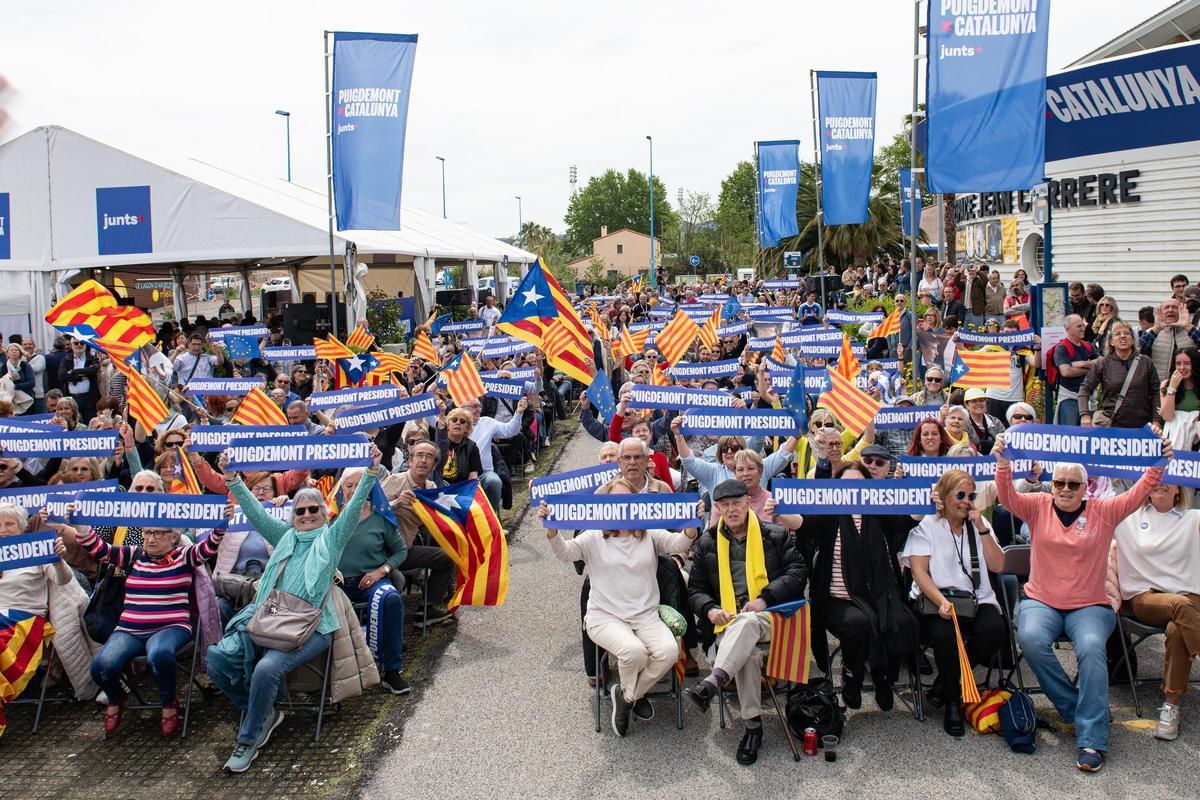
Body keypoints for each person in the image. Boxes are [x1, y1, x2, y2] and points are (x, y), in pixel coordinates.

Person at [994, 432, 1172, 772]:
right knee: (1030, 639)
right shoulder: (1038, 505)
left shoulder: (1104, 511)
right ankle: (1076, 710)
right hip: (1041, 600)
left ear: (1085, 486)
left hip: (1090, 605)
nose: (1064, 489)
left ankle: (1091, 740)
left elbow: (1140, 492)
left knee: (1091, 647)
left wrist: (1160, 462)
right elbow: (1007, 495)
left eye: (1072, 484)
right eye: (1058, 482)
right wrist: (1003, 462)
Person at [209, 444, 382, 772]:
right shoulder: (285, 535)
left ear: (322, 514)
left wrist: (371, 472)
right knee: (217, 660)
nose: (305, 516)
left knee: (265, 669)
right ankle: (264, 711)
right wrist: (232, 478)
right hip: (270, 615)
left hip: (313, 625)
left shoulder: (330, 539)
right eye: (300, 511)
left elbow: (353, 507)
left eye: (312, 511)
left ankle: (248, 739)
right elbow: (255, 512)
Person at [542, 478, 697, 737]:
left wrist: (690, 529)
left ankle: (627, 697)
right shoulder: (593, 536)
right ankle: (634, 696)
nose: (623, 506)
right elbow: (565, 553)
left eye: (628, 500)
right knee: (634, 652)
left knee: (669, 651)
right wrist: (552, 531)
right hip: (605, 617)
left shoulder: (647, 533)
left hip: (645, 616)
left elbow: (677, 544)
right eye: (616, 501)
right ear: (605, 505)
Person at [684, 479, 807, 766]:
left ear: (747, 503)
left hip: (772, 617)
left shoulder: (774, 535)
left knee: (750, 620)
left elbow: (798, 573)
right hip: (726, 624)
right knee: (748, 656)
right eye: (724, 505)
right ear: (717, 509)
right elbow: (695, 591)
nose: (731, 510)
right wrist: (711, 610)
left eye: (736, 503)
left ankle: (713, 682)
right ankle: (753, 727)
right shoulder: (707, 542)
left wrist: (765, 599)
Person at [783, 462, 917, 711]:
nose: (853, 489)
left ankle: (883, 677)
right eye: (846, 484)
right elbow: (804, 525)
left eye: (859, 484)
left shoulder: (879, 512)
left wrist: (924, 504)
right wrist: (779, 510)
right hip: (838, 599)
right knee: (859, 623)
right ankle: (852, 676)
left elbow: (905, 521)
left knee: (902, 622)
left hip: (880, 595)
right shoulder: (829, 514)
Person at [79, 519, 225, 737]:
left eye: (158, 533)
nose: (151, 538)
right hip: (129, 629)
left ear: (174, 537)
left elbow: (208, 547)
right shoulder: (134, 554)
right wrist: (78, 522)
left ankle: (168, 702)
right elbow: (100, 549)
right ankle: (116, 696)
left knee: (159, 655)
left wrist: (222, 522)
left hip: (171, 626)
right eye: (147, 533)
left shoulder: (184, 556)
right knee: (100, 666)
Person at [902, 469, 1007, 736]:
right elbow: (919, 572)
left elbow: (998, 564)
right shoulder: (927, 525)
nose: (966, 501)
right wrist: (940, 602)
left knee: (995, 630)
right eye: (960, 495)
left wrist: (982, 528)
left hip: (975, 598)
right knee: (947, 635)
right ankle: (951, 701)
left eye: (970, 495)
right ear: (946, 495)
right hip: (936, 598)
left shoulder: (979, 525)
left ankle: (945, 685)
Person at [1113, 480, 1200, 741]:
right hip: (1146, 597)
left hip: (1189, 597)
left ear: (1179, 489)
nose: (1161, 484)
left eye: (1168, 480)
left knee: (1177, 629)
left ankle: (1171, 706)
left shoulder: (1193, 518)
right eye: (1156, 479)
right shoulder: (1127, 518)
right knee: (1181, 607)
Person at [336, 467, 410, 695]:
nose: (352, 490)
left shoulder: (380, 518)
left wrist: (381, 571)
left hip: (371, 581)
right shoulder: (331, 518)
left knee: (390, 599)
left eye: (358, 486)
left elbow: (400, 551)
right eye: (348, 486)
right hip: (337, 585)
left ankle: (392, 671)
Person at [0, 503, 71, 732]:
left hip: (23, 619)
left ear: (22, 527)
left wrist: (58, 561)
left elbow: (63, 580)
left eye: (9, 524)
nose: (3, 529)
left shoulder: (35, 550)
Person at [388, 440, 457, 627]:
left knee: (447, 556)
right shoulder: (395, 481)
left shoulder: (432, 487)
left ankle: (427, 608)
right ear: (410, 460)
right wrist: (396, 504)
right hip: (384, 552)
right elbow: (369, 510)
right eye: (419, 455)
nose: (423, 461)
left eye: (429, 457)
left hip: (406, 549)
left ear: (434, 465)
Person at [1079, 321, 1159, 429]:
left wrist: (1156, 420)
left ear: (1132, 339)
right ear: (1111, 341)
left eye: (1126, 333)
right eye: (1117, 334)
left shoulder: (1145, 362)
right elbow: (1085, 389)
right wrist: (1084, 415)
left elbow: (1156, 392)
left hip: (1142, 426)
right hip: (1113, 426)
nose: (1122, 336)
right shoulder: (1102, 363)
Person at [459, 397, 528, 515]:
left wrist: (519, 412)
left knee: (494, 481)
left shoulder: (487, 422)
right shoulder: (455, 424)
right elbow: (435, 424)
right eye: (474, 406)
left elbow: (510, 430)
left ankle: (490, 519)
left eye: (479, 406)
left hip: (484, 473)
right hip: (460, 476)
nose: (478, 410)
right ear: (462, 409)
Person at [1159, 348, 1200, 451]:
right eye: (1178, 364)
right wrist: (1172, 388)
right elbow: (1167, 416)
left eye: (1187, 363)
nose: (1182, 367)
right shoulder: (1165, 385)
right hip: (1173, 440)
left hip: (1196, 440)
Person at [436, 407, 483, 485]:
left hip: (461, 489)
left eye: (462, 421)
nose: (458, 423)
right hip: (439, 487)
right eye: (454, 420)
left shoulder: (472, 447)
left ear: (466, 428)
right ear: (448, 425)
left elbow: (473, 477)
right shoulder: (440, 442)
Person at [59, 338, 100, 422]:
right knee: (74, 424)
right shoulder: (66, 359)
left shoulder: (92, 358)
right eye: (76, 343)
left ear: (86, 345)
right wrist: (81, 375)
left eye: (82, 343)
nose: (79, 345)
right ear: (72, 345)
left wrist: (74, 371)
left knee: (90, 423)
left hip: (89, 399)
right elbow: (62, 376)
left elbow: (93, 370)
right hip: (72, 399)